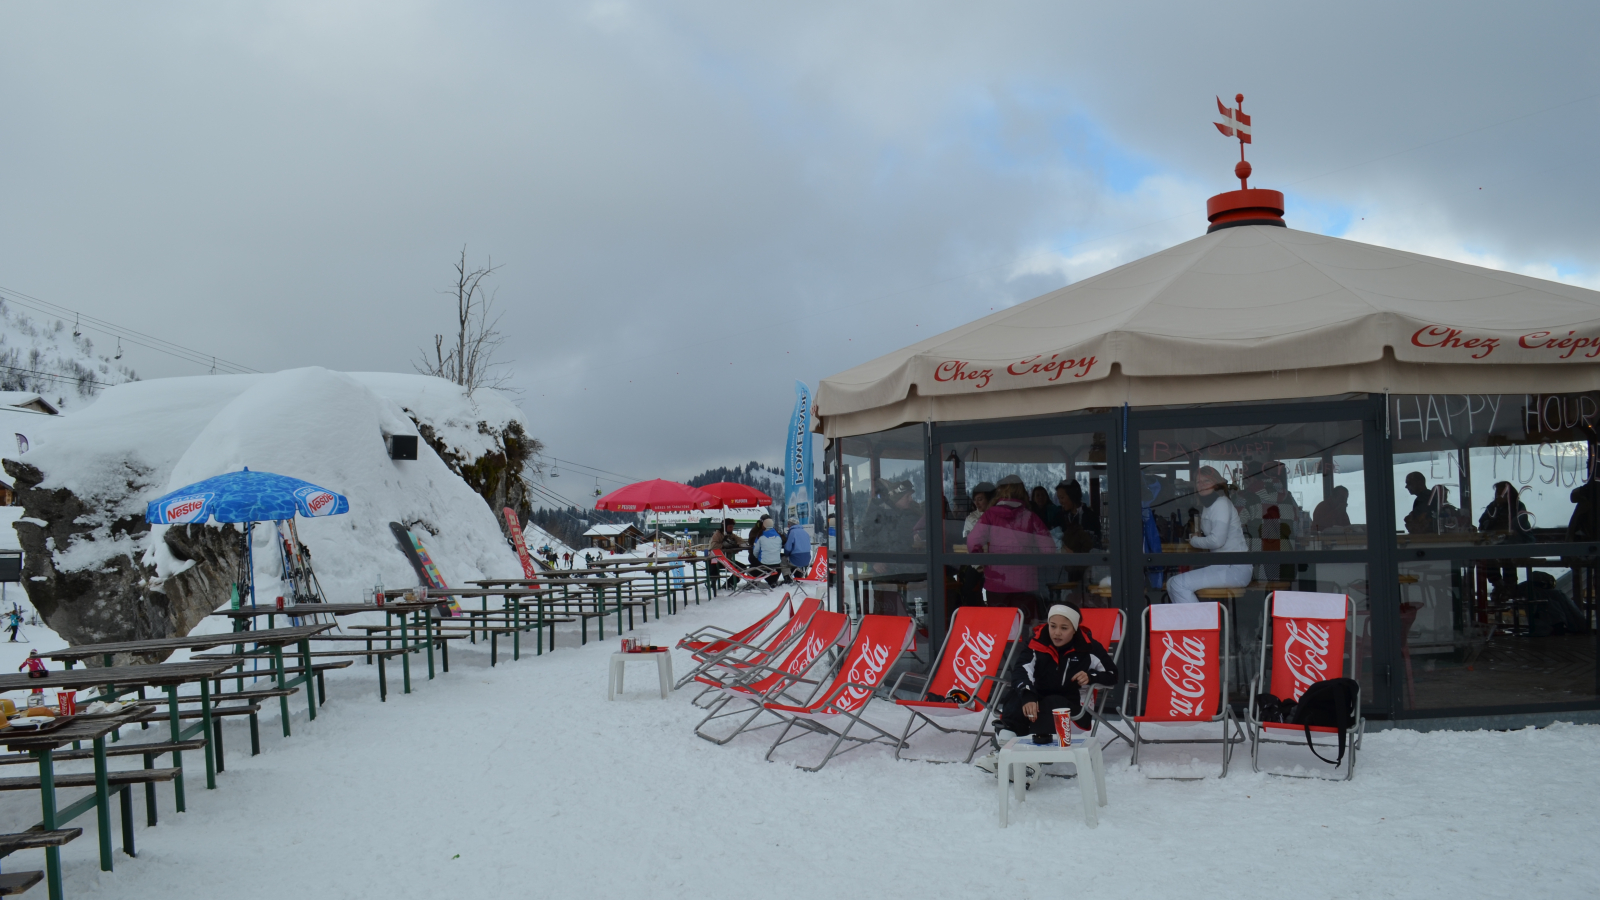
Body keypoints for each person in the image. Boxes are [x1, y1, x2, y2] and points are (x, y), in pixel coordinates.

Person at [974, 605, 1117, 774]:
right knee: (1017, 693)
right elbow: (1021, 670)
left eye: (1064, 628)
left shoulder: (1089, 648)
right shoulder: (1037, 643)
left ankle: (1032, 764)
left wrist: (1091, 677)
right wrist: (1027, 694)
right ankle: (1003, 753)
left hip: (1072, 710)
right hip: (1039, 703)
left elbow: (1112, 675)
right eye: (1053, 625)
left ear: (1075, 628)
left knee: (1052, 702)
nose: (1057, 632)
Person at [966, 474, 1054, 614]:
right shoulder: (1029, 516)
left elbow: (973, 542)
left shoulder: (989, 515)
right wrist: (1034, 563)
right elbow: (1048, 549)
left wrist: (982, 562)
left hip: (996, 580)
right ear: (1021, 492)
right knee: (1025, 626)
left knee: (1000, 626)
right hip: (1026, 582)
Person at [1166, 466, 1253, 604]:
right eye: (1198, 481)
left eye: (1206, 481)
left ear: (1216, 483)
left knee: (1178, 584)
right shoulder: (1209, 506)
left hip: (1234, 569)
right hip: (1222, 566)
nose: (1201, 485)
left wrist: (1194, 540)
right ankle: (1192, 622)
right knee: (1171, 582)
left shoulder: (1221, 503)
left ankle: (1200, 624)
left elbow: (1217, 541)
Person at [710, 518, 746, 588]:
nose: (732, 529)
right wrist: (724, 545)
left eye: (732, 527)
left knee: (742, 568)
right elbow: (713, 546)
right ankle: (712, 583)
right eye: (730, 527)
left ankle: (730, 583)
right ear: (724, 527)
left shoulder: (731, 535)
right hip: (717, 560)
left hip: (727, 559)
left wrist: (739, 544)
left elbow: (740, 540)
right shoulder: (717, 534)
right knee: (713, 571)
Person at [752, 516, 783, 587]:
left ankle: (753, 583)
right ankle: (772, 581)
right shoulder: (778, 536)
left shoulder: (760, 536)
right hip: (777, 562)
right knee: (773, 566)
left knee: (753, 565)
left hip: (764, 563)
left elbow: (755, 551)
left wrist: (758, 557)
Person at [781, 516, 812, 582]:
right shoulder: (805, 532)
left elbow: (787, 548)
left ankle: (787, 577)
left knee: (783, 559)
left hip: (796, 560)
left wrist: (786, 554)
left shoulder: (792, 532)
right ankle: (799, 574)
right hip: (807, 559)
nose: (787, 525)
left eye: (788, 524)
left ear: (790, 524)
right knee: (793, 558)